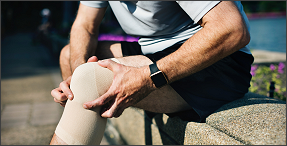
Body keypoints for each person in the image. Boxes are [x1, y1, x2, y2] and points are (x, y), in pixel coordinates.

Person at [50, 1, 254, 145]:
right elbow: (85, 26)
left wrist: (148, 77)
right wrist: (75, 75)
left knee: (90, 79)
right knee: (70, 56)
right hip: (154, 51)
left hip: (217, 60)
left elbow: (232, 28)